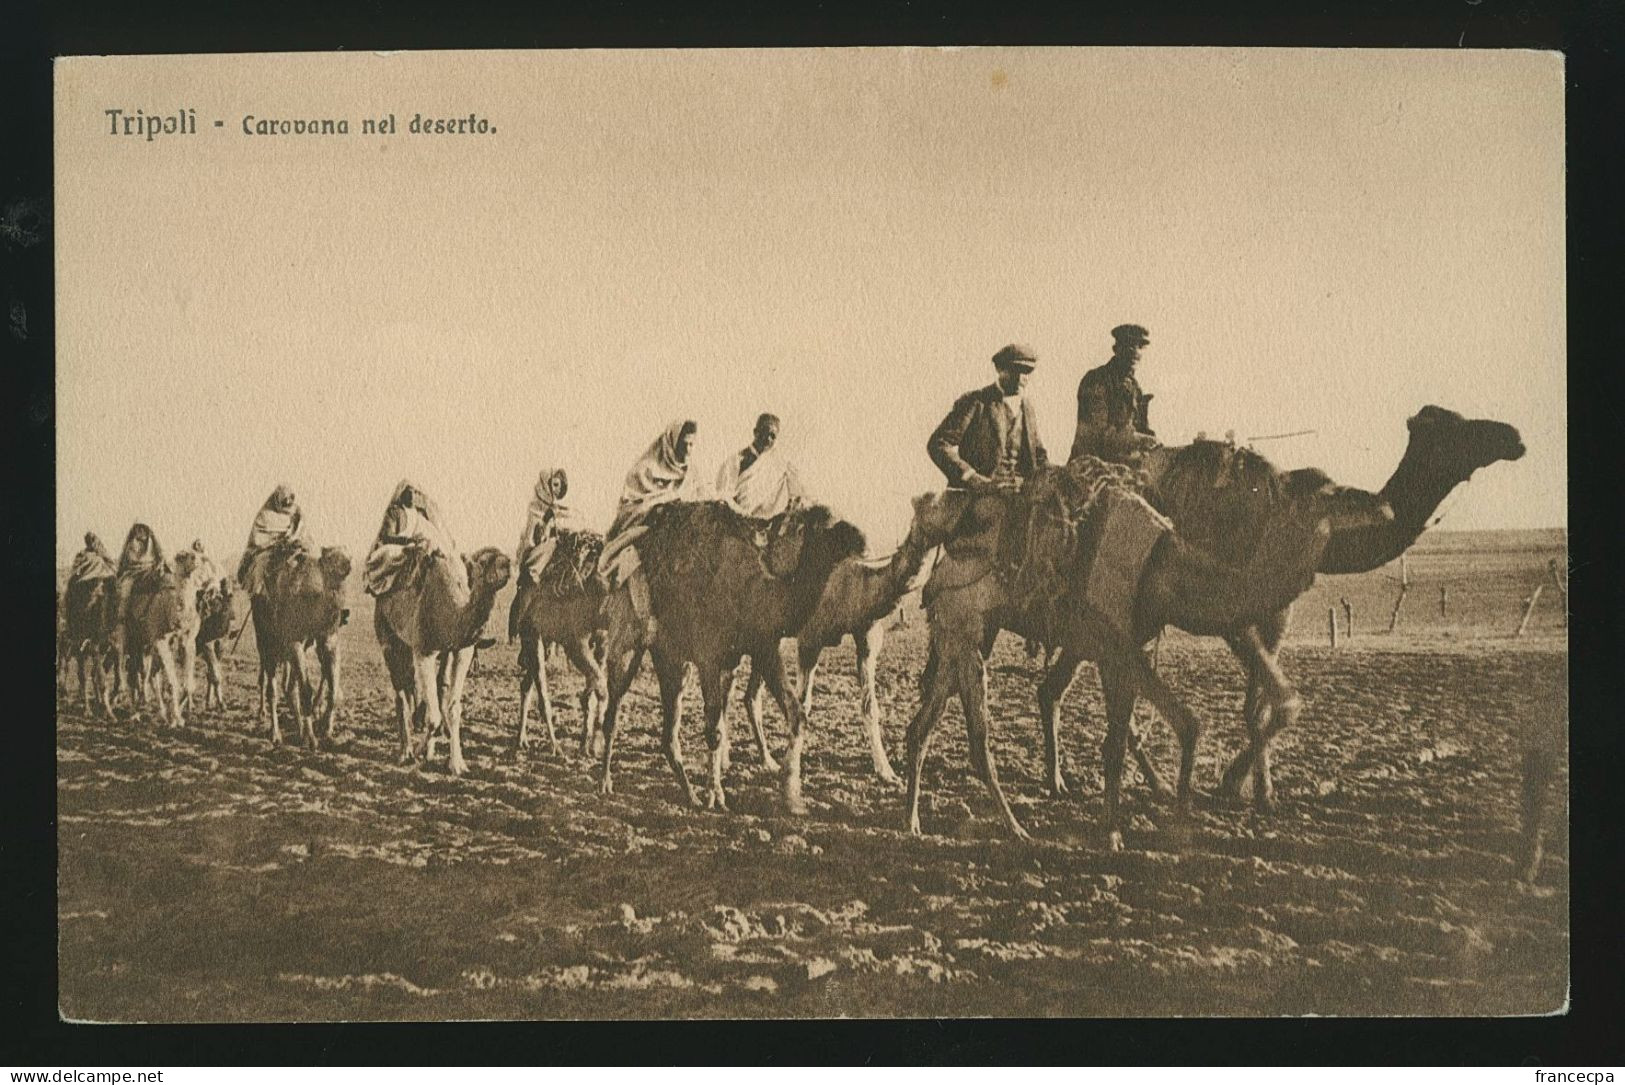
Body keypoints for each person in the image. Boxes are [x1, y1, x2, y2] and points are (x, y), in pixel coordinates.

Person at [598, 419, 698, 614]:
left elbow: (699, 499)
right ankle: (644, 616)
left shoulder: (692, 474)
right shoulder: (644, 469)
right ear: (671, 443)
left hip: (683, 533)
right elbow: (631, 507)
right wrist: (656, 509)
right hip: (646, 529)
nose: (687, 450)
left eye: (691, 444)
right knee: (633, 560)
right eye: (683, 444)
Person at [927, 343, 1049, 491]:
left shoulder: (1028, 409)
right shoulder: (976, 402)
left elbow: (1039, 456)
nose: (1020, 377)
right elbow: (938, 444)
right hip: (980, 494)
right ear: (999, 369)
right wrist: (972, 478)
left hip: (1022, 492)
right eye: (1014, 370)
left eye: (1027, 371)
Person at [1068, 323, 1158, 463]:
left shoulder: (1135, 388)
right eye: (1129, 345)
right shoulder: (1096, 380)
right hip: (1091, 465)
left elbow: (1142, 429)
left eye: (1140, 346)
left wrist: (1151, 439)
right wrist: (1138, 439)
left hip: (1124, 463)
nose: (1134, 352)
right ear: (1116, 349)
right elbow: (1097, 434)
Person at [364, 481, 466, 598]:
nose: (413, 495)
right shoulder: (395, 511)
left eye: (415, 492)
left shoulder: (419, 513)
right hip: (398, 544)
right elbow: (387, 536)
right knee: (392, 554)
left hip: (415, 543)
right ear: (402, 493)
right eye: (410, 492)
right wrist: (407, 540)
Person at [509, 467, 573, 638]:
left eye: (560, 486)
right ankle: (521, 621)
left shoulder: (560, 508)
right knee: (532, 577)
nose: (557, 490)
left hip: (558, 545)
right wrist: (547, 525)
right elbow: (533, 536)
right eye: (555, 485)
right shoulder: (536, 507)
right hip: (541, 548)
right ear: (546, 484)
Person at [715, 412, 808, 518]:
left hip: (768, 525)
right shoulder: (736, 461)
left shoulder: (780, 463)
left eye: (773, 436)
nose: (768, 439)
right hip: (739, 521)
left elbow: (799, 492)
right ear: (756, 432)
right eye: (765, 433)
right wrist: (743, 514)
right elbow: (723, 495)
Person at [237, 484, 304, 596]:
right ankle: (259, 596)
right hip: (269, 549)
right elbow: (258, 540)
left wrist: (294, 538)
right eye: (284, 501)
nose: (287, 504)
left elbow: (301, 528)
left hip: (293, 545)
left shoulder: (296, 511)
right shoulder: (265, 515)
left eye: (289, 501)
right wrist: (277, 542)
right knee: (261, 566)